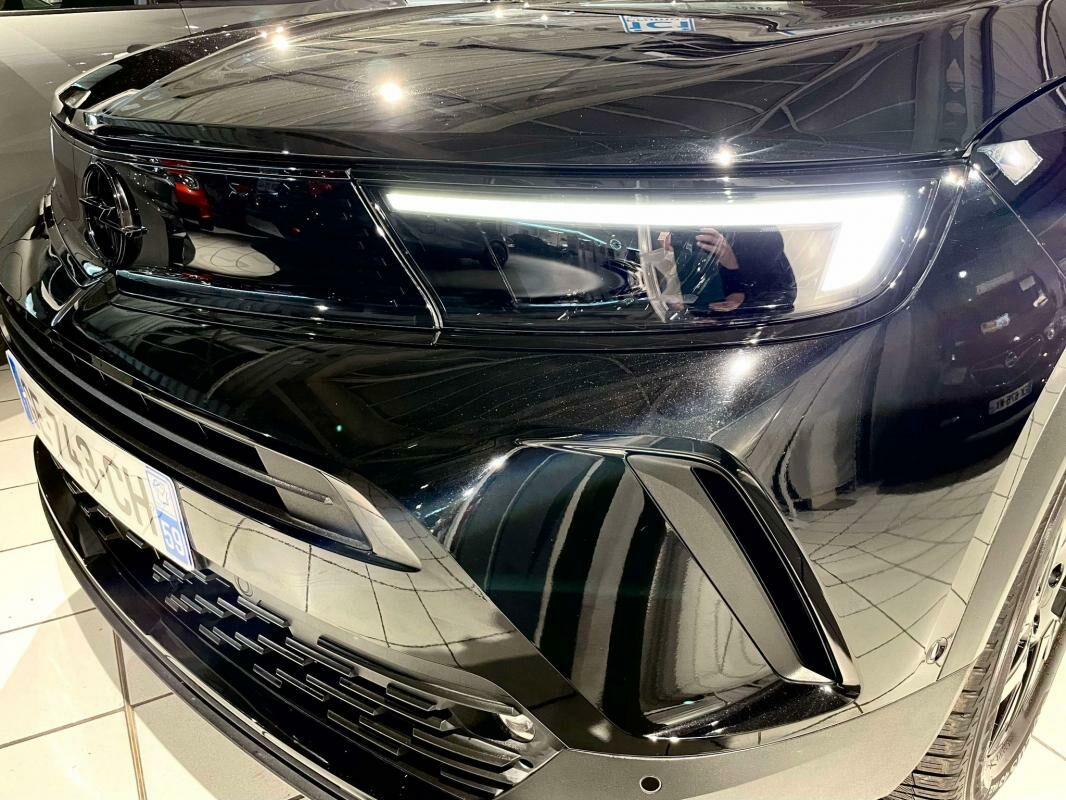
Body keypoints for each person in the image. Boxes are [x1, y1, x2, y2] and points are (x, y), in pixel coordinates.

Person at [659, 227, 798, 315]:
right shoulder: (679, 219)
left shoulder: (762, 238)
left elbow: (782, 299)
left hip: (735, 326)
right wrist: (663, 233)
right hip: (688, 322)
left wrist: (732, 265)